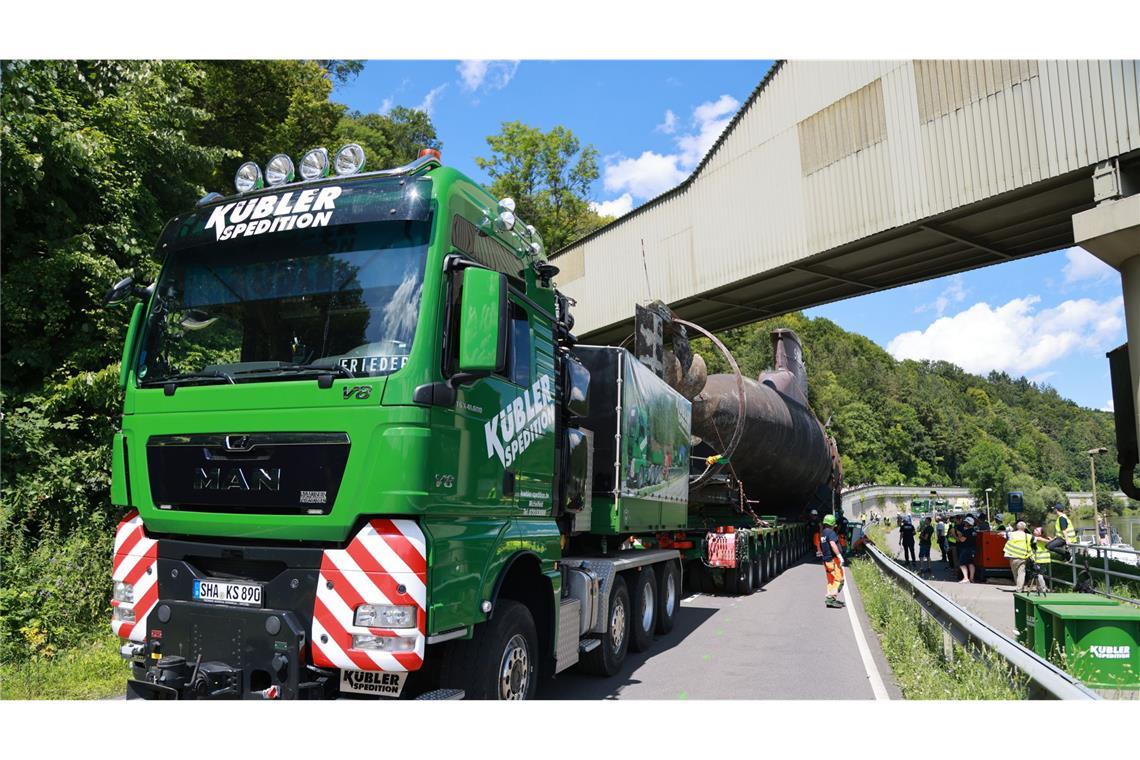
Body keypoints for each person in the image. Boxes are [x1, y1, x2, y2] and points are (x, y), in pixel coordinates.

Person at [820, 514, 845, 608]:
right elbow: (832, 544)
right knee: (839, 580)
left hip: (826, 560)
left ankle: (830, 600)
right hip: (833, 560)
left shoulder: (823, 533)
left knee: (831, 581)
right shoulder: (831, 533)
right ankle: (830, 598)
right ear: (833, 524)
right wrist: (839, 556)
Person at [1002, 521, 1032, 591]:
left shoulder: (1011, 534)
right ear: (1025, 528)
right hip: (1023, 557)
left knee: (1015, 573)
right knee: (1021, 573)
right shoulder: (1027, 535)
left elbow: (1003, 534)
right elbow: (1036, 539)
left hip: (1013, 556)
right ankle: (1019, 588)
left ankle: (1018, 587)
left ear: (1017, 527)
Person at [1028, 527, 1052, 593]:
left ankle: (1043, 588)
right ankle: (1041, 588)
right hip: (1044, 559)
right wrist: (1051, 540)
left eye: (1037, 530)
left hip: (1040, 559)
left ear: (1041, 533)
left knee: (1039, 574)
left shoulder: (1038, 538)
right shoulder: (1043, 539)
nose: (1034, 530)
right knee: (1040, 574)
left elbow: (1039, 539)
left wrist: (1050, 540)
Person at [957, 515, 978, 583]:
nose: (964, 524)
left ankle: (966, 578)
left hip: (966, 549)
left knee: (962, 563)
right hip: (973, 549)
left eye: (966, 522)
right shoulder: (974, 531)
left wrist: (959, 536)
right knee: (971, 563)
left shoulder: (967, 531)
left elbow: (962, 540)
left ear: (968, 523)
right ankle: (972, 578)